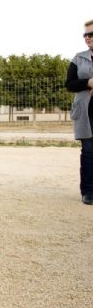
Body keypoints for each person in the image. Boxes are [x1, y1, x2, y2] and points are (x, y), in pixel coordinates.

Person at [65, 19, 93, 205]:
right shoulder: (78, 58)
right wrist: (88, 83)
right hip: (86, 111)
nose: (87, 38)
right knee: (89, 151)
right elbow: (69, 84)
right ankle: (88, 191)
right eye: (85, 35)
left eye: (91, 34)